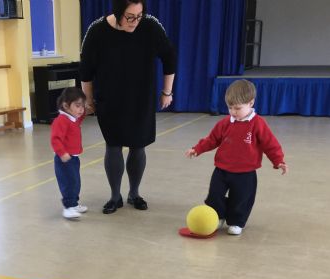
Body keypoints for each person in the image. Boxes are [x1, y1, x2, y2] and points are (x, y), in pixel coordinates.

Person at [80, 0, 177, 214]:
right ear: (117, 12)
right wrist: (88, 100)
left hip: (141, 98)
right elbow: (86, 70)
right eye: (130, 17)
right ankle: (115, 197)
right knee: (113, 145)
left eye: (139, 16)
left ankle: (134, 193)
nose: (135, 21)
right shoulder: (97, 31)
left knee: (138, 145)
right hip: (109, 99)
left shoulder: (150, 26)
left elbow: (169, 57)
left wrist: (167, 92)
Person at [185, 79, 288, 235]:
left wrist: (278, 161)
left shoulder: (258, 124)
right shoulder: (225, 123)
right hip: (222, 169)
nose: (233, 111)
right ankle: (218, 216)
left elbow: (270, 144)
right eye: (230, 108)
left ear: (251, 103)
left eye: (238, 108)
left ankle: (236, 222)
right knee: (214, 195)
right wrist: (197, 149)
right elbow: (212, 140)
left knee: (241, 199)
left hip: (245, 172)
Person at [50, 87, 88, 219]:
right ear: (66, 106)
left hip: (74, 158)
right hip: (65, 159)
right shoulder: (61, 120)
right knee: (68, 183)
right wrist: (62, 153)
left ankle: (74, 204)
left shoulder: (73, 118)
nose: (81, 109)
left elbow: (80, 119)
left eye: (82, 106)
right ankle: (68, 208)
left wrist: (85, 110)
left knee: (75, 182)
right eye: (78, 106)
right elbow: (55, 139)